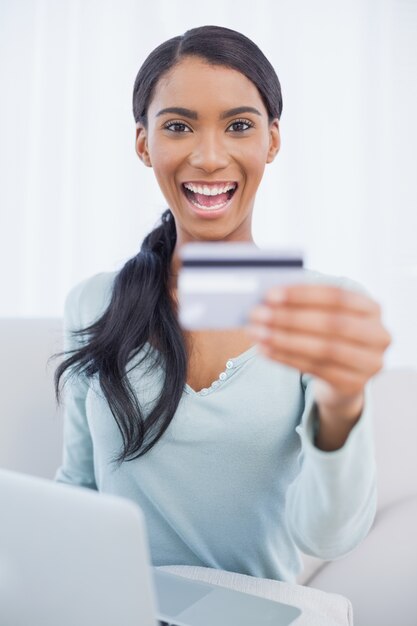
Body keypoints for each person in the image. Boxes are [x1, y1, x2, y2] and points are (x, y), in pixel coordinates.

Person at [54, 25, 392, 583]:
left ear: (272, 140)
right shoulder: (94, 302)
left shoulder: (325, 307)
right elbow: (79, 490)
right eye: (179, 127)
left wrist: (341, 405)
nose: (210, 158)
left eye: (238, 126)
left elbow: (327, 536)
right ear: (144, 143)